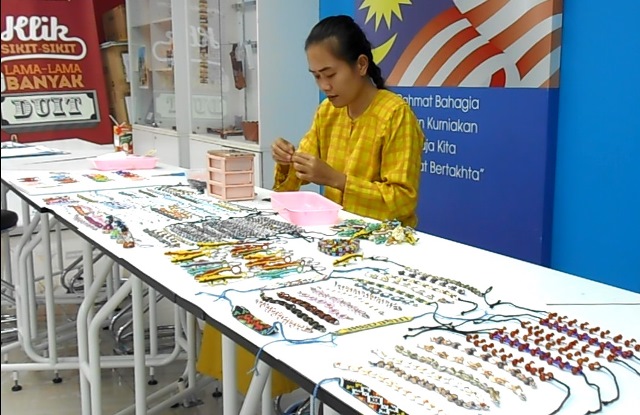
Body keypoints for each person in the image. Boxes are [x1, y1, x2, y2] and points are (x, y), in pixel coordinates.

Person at [271, 15, 425, 227]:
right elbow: (300, 173)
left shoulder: (395, 115)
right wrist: (286, 160)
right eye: (316, 76)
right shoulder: (327, 111)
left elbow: (402, 200)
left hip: (386, 239)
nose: (324, 86)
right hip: (337, 234)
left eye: (330, 74)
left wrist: (337, 180)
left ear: (361, 65)